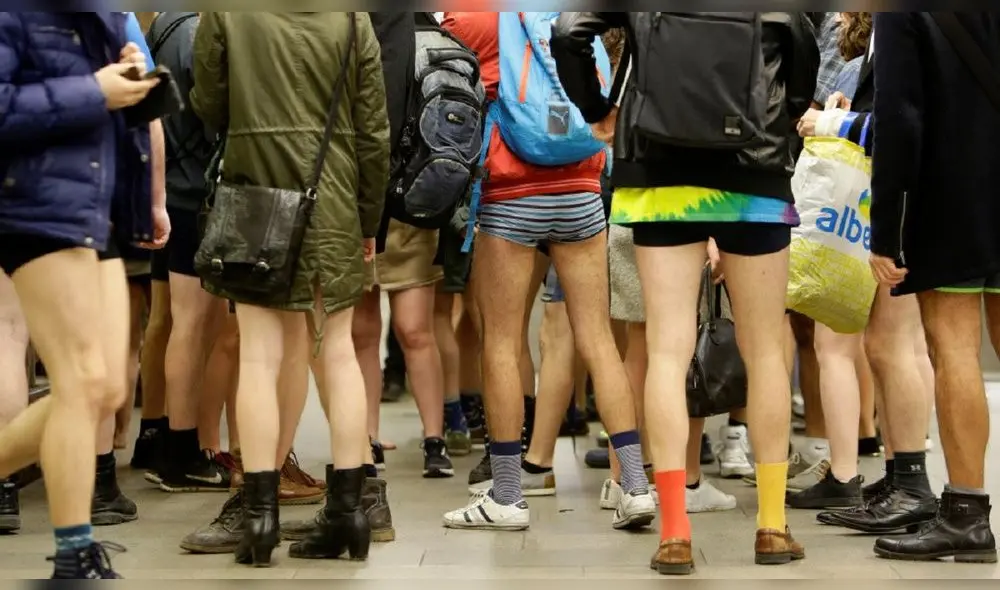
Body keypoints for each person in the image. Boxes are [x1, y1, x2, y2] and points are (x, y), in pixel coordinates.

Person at [552, 11, 818, 572]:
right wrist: (778, 120)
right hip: (755, 170)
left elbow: (569, 30)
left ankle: (674, 532)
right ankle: (772, 526)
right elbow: (802, 53)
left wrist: (598, 111)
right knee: (766, 350)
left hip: (658, 167)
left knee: (667, 351)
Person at [441, 11, 655, 533]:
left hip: (512, 190)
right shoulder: (575, 13)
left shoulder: (481, 18)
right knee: (598, 340)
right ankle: (634, 486)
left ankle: (507, 496)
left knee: (501, 340)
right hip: (581, 187)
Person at [191, 11, 389, 566]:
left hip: (256, 198)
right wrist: (368, 219)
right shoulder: (351, 17)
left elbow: (208, 102)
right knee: (340, 354)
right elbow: (374, 131)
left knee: (259, 357)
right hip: (333, 200)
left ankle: (259, 519)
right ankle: (349, 513)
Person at [0, 10, 166, 578]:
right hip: (35, 208)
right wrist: (93, 91)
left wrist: (130, 86)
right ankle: (74, 556)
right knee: (79, 382)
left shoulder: (102, 15)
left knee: (107, 387)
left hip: (97, 211)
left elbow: (119, 117)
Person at [795, 15, 938, 541]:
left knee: (885, 345)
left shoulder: (897, 28)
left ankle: (904, 482)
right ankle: (903, 473)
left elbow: (894, 124)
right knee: (902, 346)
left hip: (896, 206)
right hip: (914, 203)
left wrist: (833, 124)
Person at [864, 11, 1000, 564]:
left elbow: (899, 117)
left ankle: (966, 516)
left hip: (953, 200)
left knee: (954, 349)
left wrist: (887, 230)